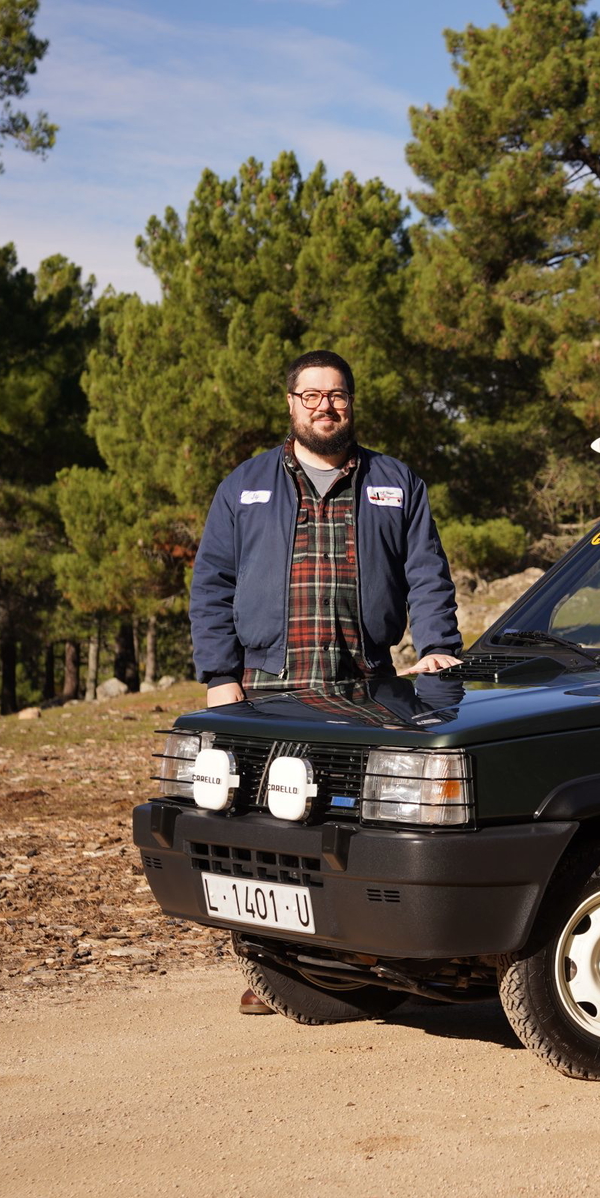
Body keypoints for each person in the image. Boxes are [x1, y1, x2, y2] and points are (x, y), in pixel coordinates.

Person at [190, 349, 463, 1013]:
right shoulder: (245, 485)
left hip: (365, 686)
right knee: (266, 830)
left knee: (356, 826)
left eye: (336, 395)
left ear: (351, 402)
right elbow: (211, 585)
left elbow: (427, 573)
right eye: (311, 396)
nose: (325, 407)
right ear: (291, 404)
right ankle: (275, 967)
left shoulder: (395, 482)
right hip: (269, 688)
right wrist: (220, 677)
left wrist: (436, 648)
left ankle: (371, 952)